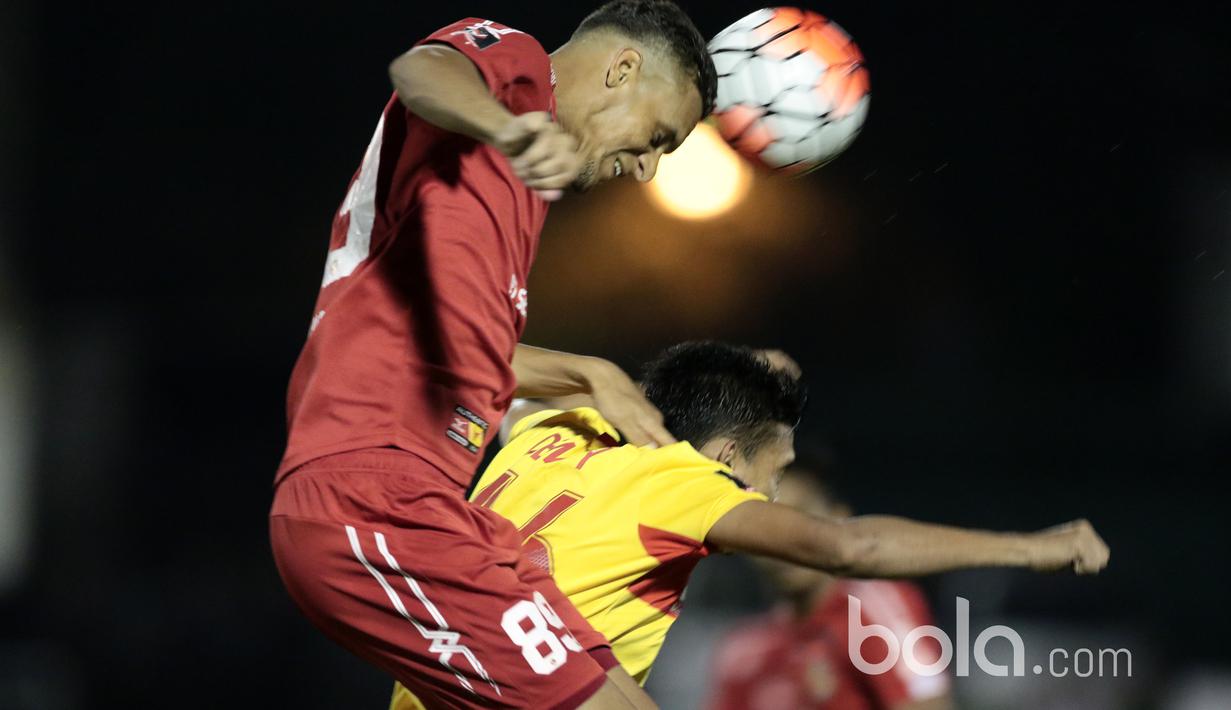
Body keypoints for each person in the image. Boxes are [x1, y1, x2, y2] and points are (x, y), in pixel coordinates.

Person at [269, 1, 717, 707]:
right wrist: (508, 128)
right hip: (374, 498)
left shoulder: (498, 199)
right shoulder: (521, 73)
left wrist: (587, 373)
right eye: (658, 136)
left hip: (440, 509)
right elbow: (421, 70)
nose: (647, 169)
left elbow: (452, 354)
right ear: (622, 68)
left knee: (624, 696)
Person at [389, 341, 1109, 708]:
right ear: (728, 458)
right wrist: (1029, 546)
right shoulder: (686, 486)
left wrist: (590, 371)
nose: (772, 493)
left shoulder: (554, 431)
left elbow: (463, 354)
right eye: (775, 470)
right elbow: (849, 545)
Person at [708, 469, 954, 710]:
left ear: (839, 522)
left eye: (802, 520)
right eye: (766, 527)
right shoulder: (743, 652)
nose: (784, 541)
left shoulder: (873, 610)